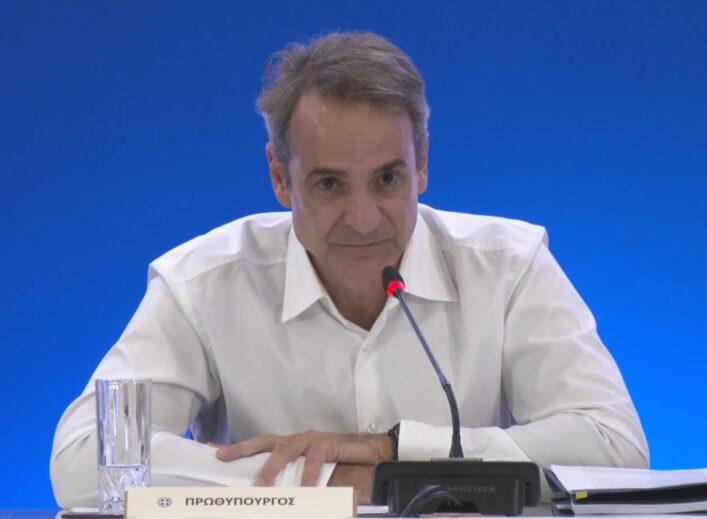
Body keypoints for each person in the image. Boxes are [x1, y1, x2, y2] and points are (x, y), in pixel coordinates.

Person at [50, 31, 649, 507]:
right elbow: (86, 457)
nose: (364, 220)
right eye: (330, 184)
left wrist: (391, 454)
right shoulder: (203, 283)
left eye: (387, 179)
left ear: (422, 164)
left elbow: (615, 448)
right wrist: (332, 485)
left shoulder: (509, 267)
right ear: (280, 177)